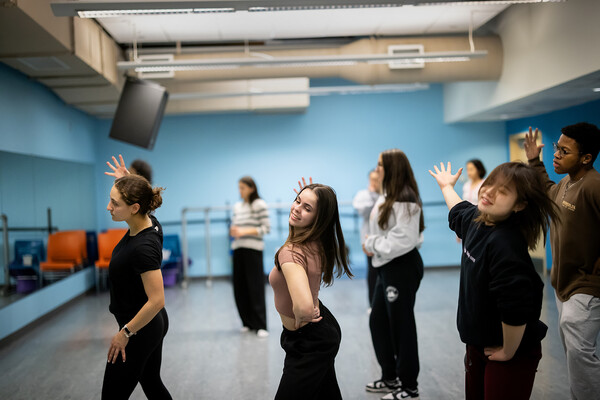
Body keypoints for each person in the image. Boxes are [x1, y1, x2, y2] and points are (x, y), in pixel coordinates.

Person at [429, 161, 559, 400]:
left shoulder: (505, 244)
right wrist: (446, 186)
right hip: (479, 343)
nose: (488, 191)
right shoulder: (477, 219)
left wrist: (508, 352)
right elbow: (457, 210)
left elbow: (516, 307)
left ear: (519, 205)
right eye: (490, 184)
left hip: (510, 349)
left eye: (503, 191)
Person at [524, 123, 600, 400]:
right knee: (574, 353)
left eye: (564, 151)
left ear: (586, 158)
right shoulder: (567, 183)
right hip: (563, 284)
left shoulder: (594, 185)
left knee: (580, 353)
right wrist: (534, 161)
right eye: (557, 147)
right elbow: (546, 189)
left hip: (586, 285)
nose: (556, 154)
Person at [269, 182, 353, 400]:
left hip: (309, 340)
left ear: (318, 219)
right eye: (297, 200)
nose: (297, 208)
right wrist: (311, 197)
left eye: (307, 208)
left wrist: (301, 317)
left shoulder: (289, 253)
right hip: (320, 333)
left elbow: (305, 308)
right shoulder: (314, 240)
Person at [102, 156, 171, 399]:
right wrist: (125, 180)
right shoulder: (149, 222)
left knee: (111, 395)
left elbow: (157, 300)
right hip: (149, 324)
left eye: (114, 203)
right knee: (152, 383)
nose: (108, 207)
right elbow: (139, 196)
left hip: (141, 328)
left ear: (134, 208)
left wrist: (125, 333)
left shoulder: (143, 247)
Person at [364, 149, 425, 400]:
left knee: (401, 326)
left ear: (392, 167)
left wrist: (372, 244)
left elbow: (405, 239)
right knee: (378, 321)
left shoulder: (405, 198)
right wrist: (374, 244)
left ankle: (409, 386)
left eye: (380, 164)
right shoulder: (388, 194)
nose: (377, 168)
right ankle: (390, 377)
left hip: (401, 266)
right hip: (387, 266)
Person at [230, 176, 271, 337]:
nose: (240, 191)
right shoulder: (238, 206)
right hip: (238, 248)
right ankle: (247, 322)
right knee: (240, 287)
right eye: (239, 188)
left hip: (253, 249)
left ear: (252, 188)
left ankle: (261, 325)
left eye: (243, 188)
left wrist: (244, 231)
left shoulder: (259, 204)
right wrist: (234, 231)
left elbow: (266, 228)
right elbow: (235, 226)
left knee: (255, 287)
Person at [352, 169, 381, 305]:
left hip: (385, 240)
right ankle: (372, 303)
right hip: (369, 239)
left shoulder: (387, 194)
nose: (375, 182)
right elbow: (365, 212)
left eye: (377, 179)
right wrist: (372, 195)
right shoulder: (363, 195)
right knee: (373, 271)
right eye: (373, 179)